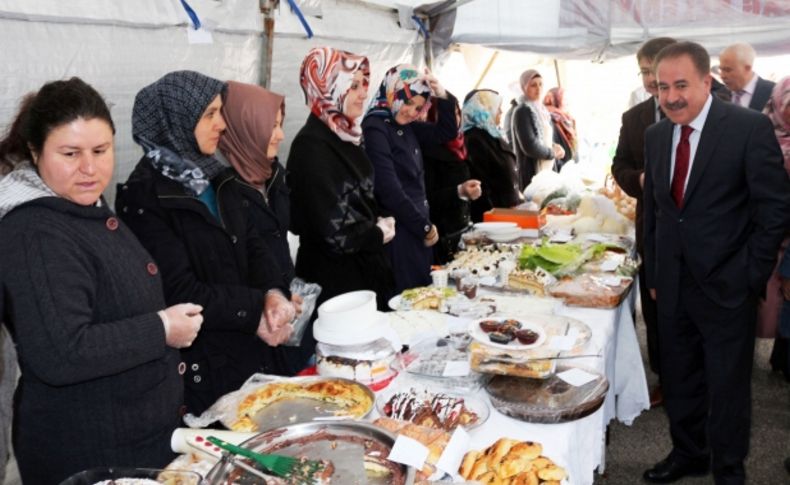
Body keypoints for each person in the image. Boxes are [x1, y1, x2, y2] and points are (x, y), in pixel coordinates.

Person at [0, 77, 204, 484]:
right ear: (36, 152)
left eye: (101, 150)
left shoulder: (82, 206)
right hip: (88, 453)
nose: (90, 168)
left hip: (131, 437)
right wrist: (162, 328)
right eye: (70, 153)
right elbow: (62, 352)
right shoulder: (35, 231)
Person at [642, 42, 790, 484]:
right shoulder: (656, 135)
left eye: (681, 85)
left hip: (729, 286)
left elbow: (775, 209)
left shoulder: (746, 129)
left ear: (708, 82)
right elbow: (654, 212)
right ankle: (688, 453)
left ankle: (729, 468)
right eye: (663, 86)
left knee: (727, 389)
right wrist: (654, 273)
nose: (670, 97)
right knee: (681, 379)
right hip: (672, 284)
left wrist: (751, 274)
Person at [116, 71, 296, 416]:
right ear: (176, 120)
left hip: (253, 354)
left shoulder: (216, 176)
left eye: (220, 113)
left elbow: (253, 244)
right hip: (206, 372)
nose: (222, 125)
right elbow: (179, 290)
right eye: (210, 115)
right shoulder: (145, 198)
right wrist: (254, 308)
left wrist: (273, 292)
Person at [288, 47, 396, 311]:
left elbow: (361, 199)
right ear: (329, 87)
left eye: (364, 85)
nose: (364, 93)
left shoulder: (344, 136)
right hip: (337, 286)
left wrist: (380, 218)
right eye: (354, 85)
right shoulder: (312, 146)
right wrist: (376, 233)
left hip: (362, 273)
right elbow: (333, 231)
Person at [218, 81, 311, 375]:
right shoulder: (222, 187)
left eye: (280, 124)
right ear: (247, 126)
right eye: (272, 126)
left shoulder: (272, 172)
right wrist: (266, 299)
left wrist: (286, 289)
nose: (281, 135)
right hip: (254, 320)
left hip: (288, 303)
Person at [611, 36, 676, 408]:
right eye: (645, 71)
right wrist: (636, 179)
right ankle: (665, 380)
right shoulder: (633, 118)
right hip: (651, 229)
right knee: (654, 313)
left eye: (656, 70)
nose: (651, 79)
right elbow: (618, 164)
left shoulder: (698, 111)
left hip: (695, 234)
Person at [362, 64, 457, 292]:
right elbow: (388, 188)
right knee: (407, 299)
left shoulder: (408, 126)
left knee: (422, 295)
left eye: (418, 107)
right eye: (406, 101)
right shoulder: (376, 127)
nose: (411, 112)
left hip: (419, 228)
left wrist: (443, 96)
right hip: (401, 230)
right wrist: (423, 227)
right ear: (393, 93)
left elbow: (447, 132)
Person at [421, 99, 482, 264]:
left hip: (463, 231)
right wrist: (459, 191)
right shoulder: (428, 150)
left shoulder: (460, 146)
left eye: (457, 113)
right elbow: (428, 198)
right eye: (448, 114)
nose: (454, 119)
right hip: (443, 237)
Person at [462, 89, 523, 223]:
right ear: (483, 108)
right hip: (494, 218)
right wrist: (495, 216)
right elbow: (480, 185)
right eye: (498, 108)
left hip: (508, 212)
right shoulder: (474, 139)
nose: (501, 112)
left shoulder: (492, 133)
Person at [508, 69, 565, 189]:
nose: (538, 89)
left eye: (541, 84)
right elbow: (530, 145)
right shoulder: (522, 111)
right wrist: (552, 153)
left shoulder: (542, 110)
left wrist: (555, 146)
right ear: (524, 88)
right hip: (532, 174)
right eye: (533, 85)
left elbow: (544, 139)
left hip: (547, 169)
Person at [718, 42, 775, 110]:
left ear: (747, 68)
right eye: (721, 70)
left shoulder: (773, 93)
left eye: (728, 70)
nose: (722, 76)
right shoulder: (717, 96)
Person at [543, 86, 577, 168]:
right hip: (561, 170)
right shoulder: (550, 118)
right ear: (555, 100)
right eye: (564, 99)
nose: (567, 102)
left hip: (570, 166)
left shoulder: (565, 119)